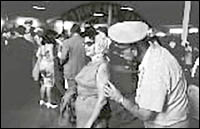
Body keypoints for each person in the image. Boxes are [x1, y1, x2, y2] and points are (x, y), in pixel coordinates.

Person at [104, 21, 189, 128]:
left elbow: (146, 115)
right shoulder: (155, 53)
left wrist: (119, 98)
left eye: (122, 52)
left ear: (134, 50)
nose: (121, 56)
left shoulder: (156, 68)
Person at [75, 26, 111, 128]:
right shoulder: (91, 63)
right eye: (85, 44)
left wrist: (89, 123)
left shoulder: (102, 66)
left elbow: (102, 99)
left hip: (93, 118)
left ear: (99, 45)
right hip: (83, 114)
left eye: (89, 44)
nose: (85, 46)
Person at [60, 23, 86, 90]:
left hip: (70, 70)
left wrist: (61, 64)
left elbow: (63, 57)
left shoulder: (67, 42)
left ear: (71, 31)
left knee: (71, 90)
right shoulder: (84, 41)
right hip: (83, 69)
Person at [35, 33, 57, 109]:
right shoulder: (50, 45)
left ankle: (42, 100)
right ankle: (49, 102)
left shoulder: (41, 46)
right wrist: (54, 57)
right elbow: (51, 57)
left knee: (43, 84)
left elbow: (37, 55)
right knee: (49, 85)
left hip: (42, 65)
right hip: (49, 66)